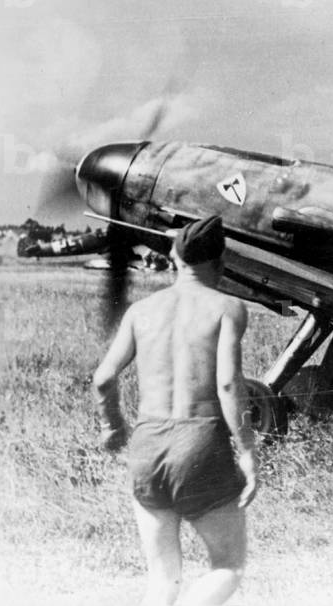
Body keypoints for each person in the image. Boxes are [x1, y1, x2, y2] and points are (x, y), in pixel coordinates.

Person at [92, 216, 258, 606]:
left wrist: (111, 425)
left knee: (162, 579)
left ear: (173, 258)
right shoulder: (228, 307)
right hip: (200, 443)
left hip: (146, 444)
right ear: (221, 262)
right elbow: (229, 385)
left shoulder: (140, 311)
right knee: (227, 567)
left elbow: (103, 378)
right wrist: (248, 451)